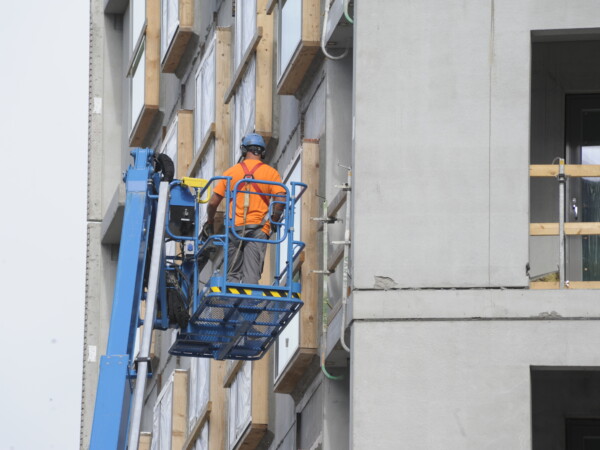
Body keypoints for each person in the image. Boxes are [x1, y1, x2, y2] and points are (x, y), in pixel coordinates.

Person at [204, 133, 286, 284]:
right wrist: (274, 221)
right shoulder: (271, 173)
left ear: (244, 150)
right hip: (258, 230)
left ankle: (231, 305)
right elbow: (281, 200)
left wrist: (209, 221)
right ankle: (249, 305)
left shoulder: (231, 173)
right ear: (262, 152)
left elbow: (212, 203)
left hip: (235, 229)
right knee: (251, 276)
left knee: (232, 275)